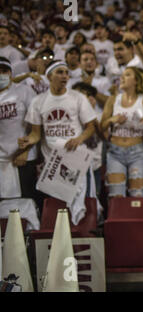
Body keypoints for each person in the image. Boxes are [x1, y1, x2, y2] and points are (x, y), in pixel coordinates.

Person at [19, 60, 98, 224]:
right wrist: (27, 142)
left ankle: (88, 239)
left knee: (86, 203)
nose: (64, 76)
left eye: (66, 72)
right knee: (61, 209)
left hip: (77, 159)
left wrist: (78, 139)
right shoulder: (38, 101)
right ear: (49, 76)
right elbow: (35, 134)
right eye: (59, 72)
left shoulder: (77, 98)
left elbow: (91, 127)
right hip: (54, 163)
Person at [100, 67, 143, 198]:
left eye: (127, 75)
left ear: (136, 81)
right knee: (115, 196)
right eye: (122, 75)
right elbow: (101, 126)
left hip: (139, 152)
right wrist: (112, 119)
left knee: (138, 195)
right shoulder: (113, 99)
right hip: (114, 153)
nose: (122, 78)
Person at [0, 58, 39, 201]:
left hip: (23, 157)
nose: (1, 75)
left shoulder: (24, 91)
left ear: (10, 73)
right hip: (1, 159)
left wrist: (26, 150)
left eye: (4, 71)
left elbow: (36, 124)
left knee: (26, 200)